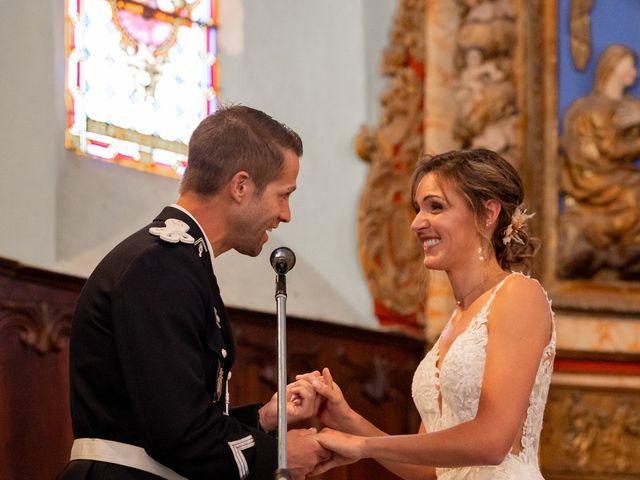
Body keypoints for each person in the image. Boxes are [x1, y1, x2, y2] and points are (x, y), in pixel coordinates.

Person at [57, 105, 328, 480]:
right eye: (283, 195)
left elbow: (168, 415)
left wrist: (264, 419)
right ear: (241, 186)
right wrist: (278, 454)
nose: (286, 214)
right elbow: (177, 434)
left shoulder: (179, 261)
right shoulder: (160, 266)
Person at [304, 149, 556, 479]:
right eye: (418, 208)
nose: (417, 223)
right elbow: (428, 470)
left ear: (488, 213)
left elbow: (493, 443)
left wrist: (364, 447)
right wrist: (349, 421)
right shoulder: (456, 320)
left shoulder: (519, 295)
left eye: (436, 206)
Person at [559, 44, 640, 279]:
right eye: (630, 67)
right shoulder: (589, 108)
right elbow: (609, 150)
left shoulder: (631, 107)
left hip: (617, 173)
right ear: (613, 69)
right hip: (594, 177)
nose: (634, 74)